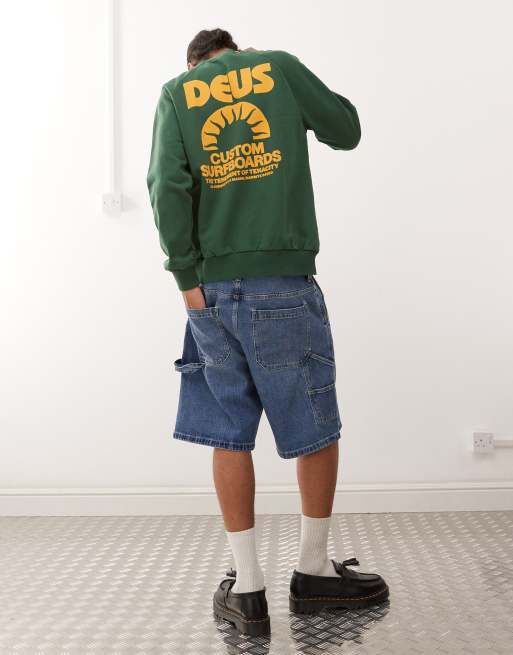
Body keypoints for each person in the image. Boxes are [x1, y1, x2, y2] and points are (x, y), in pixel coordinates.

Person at [147, 28, 388, 637]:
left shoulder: (177, 93)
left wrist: (186, 279)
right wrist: (287, 83)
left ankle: (248, 588)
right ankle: (313, 571)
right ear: (236, 51)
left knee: (229, 432)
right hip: (282, 280)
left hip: (210, 290)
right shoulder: (276, 67)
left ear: (195, 63)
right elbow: (346, 130)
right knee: (313, 425)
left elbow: (166, 188)